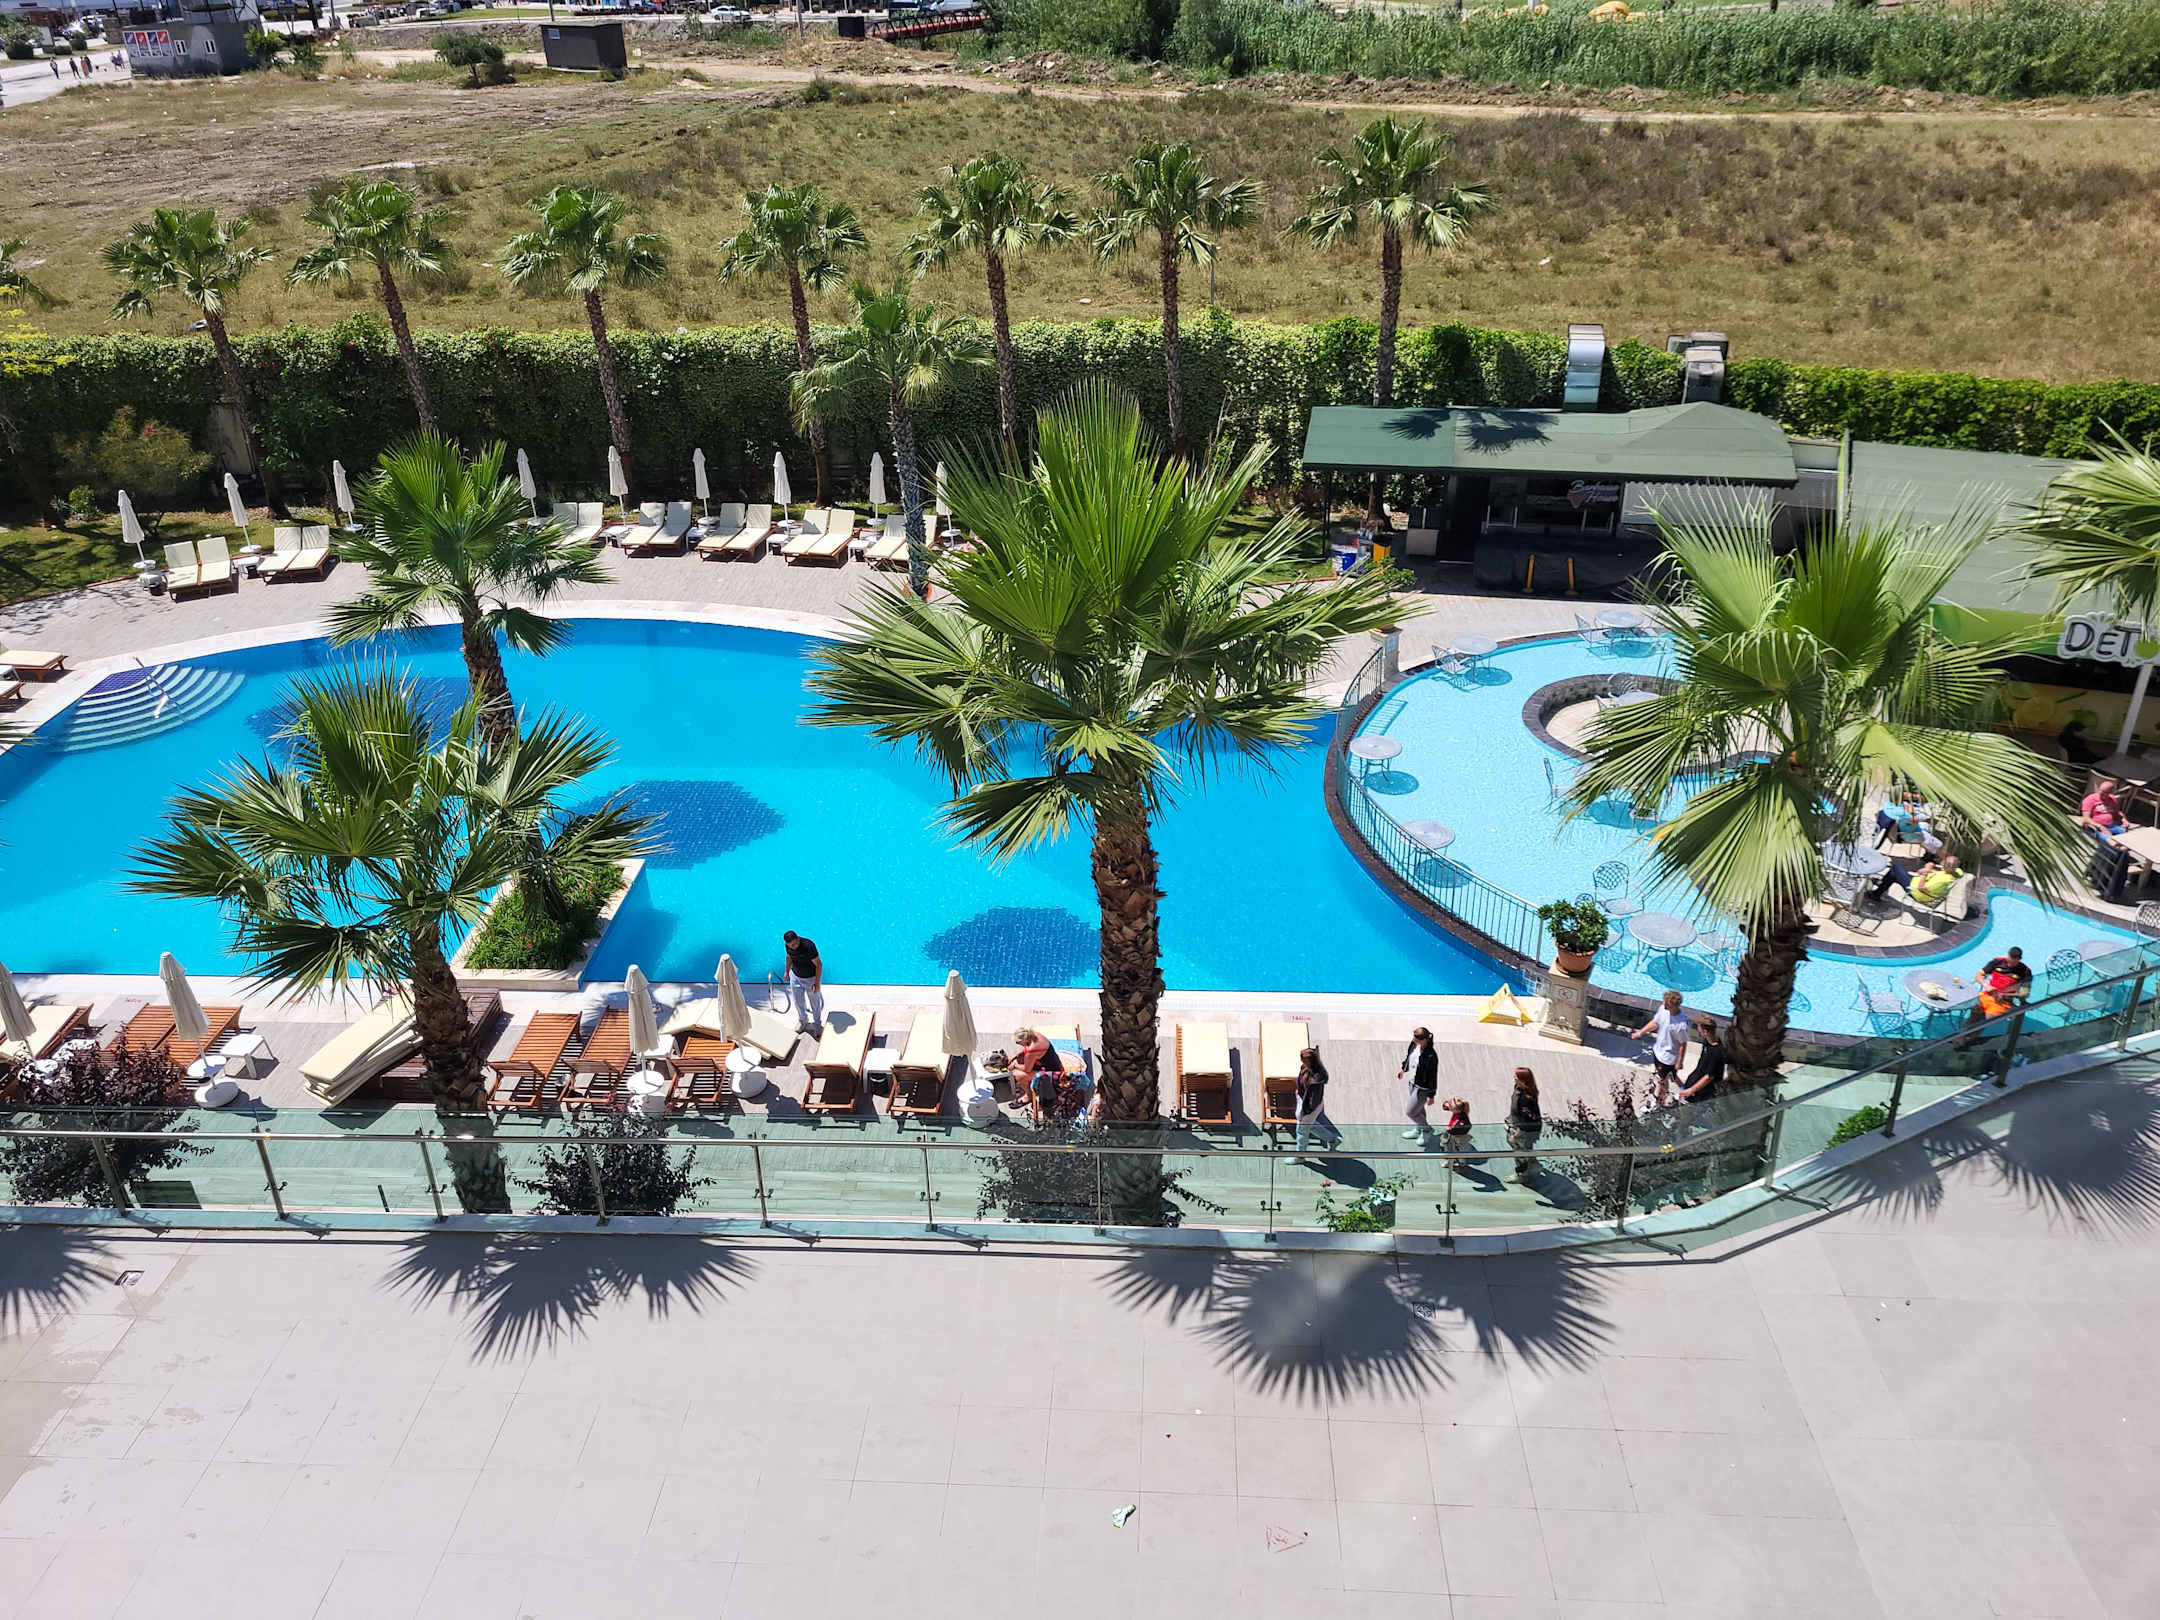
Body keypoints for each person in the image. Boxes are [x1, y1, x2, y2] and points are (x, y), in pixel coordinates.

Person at [1630, 989, 1690, 1106]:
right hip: (1658, 1051)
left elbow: (1683, 1043)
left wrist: (1679, 1061)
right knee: (1670, 1076)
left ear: (1673, 1006)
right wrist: (1640, 1033)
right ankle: (1686, 1091)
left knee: (1662, 1079)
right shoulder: (1663, 1009)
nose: (1663, 1005)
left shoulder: (1681, 1024)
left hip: (1668, 1058)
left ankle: (1657, 1101)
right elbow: (1655, 1023)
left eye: (1666, 1004)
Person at [1292, 1046, 1340, 1156]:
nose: (1302, 1062)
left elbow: (1312, 1100)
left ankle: (1300, 1156)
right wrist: (1298, 1092)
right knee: (1311, 1126)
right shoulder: (1306, 1068)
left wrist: (1305, 1113)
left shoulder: (1316, 1079)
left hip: (1309, 1109)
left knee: (1301, 1131)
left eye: (1303, 1060)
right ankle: (1332, 1140)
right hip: (1306, 1104)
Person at [1398, 1026, 1438, 1140]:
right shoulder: (1414, 1044)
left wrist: (1431, 1095)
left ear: (1424, 1040)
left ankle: (1427, 1129)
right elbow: (1409, 1057)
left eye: (1417, 1040)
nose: (1414, 1041)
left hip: (1422, 1088)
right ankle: (1420, 1129)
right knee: (1419, 1109)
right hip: (1412, 1083)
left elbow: (1432, 1076)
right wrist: (1403, 1069)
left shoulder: (1431, 1056)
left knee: (1411, 1112)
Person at [781, 928, 823, 1034]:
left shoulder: (808, 946)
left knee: (815, 1003)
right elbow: (788, 957)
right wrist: (787, 971)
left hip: (810, 978)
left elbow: (818, 964)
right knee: (798, 1002)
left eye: (794, 944)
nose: (793, 947)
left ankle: (817, 1024)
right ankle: (803, 1021)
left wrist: (817, 983)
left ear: (798, 939)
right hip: (795, 976)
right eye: (790, 945)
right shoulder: (788, 945)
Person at [1505, 1067, 1542, 1181]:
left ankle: (1521, 1174)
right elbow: (1516, 1108)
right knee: (1524, 1147)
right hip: (1518, 1125)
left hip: (1525, 1129)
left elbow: (1528, 1117)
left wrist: (1518, 1129)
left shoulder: (1527, 1097)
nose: (1514, 1078)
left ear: (1523, 1079)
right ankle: (1532, 1162)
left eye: (1516, 1076)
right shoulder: (1518, 1088)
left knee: (1519, 1150)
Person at [1677, 1018, 1726, 1102]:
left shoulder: (1717, 1051)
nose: (1698, 1033)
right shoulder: (1707, 1042)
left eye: (1699, 1031)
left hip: (1703, 1091)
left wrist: (1691, 1090)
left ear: (1705, 1032)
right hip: (1695, 1083)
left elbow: (1709, 1077)